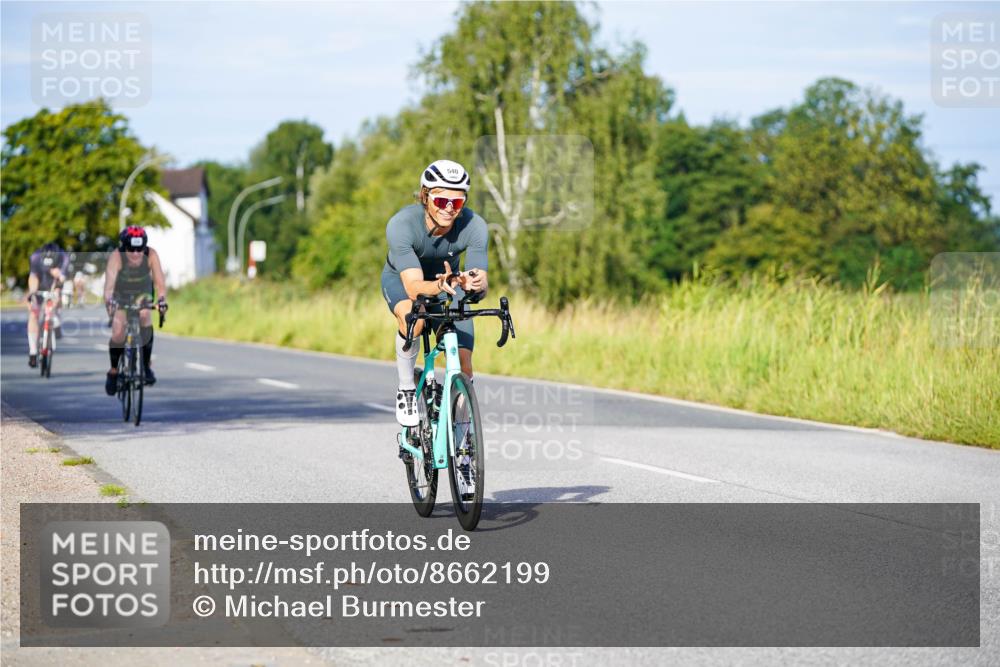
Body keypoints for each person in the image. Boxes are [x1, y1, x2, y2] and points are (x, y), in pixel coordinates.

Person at [381, 159, 489, 426]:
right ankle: (407, 388)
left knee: (464, 362)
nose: (449, 208)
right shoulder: (402, 225)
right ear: (425, 196)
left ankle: (463, 436)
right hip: (403, 281)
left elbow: (480, 281)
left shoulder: (475, 225)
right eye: (441, 201)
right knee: (414, 320)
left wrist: (475, 284)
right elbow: (414, 287)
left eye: (457, 202)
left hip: (449, 283)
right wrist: (440, 285)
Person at [103, 226, 168, 395]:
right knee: (118, 331)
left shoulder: (151, 255)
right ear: (124, 247)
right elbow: (109, 288)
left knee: (145, 315)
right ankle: (113, 371)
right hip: (121, 293)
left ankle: (146, 366)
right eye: (131, 249)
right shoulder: (116, 257)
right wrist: (110, 303)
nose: (136, 253)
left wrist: (162, 300)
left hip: (142, 292)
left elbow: (160, 283)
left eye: (140, 249)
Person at [25, 242, 69, 367]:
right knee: (33, 314)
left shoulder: (63, 257)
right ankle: (33, 351)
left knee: (57, 296)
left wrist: (58, 277)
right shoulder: (35, 257)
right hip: (39, 283)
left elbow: (61, 280)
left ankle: (55, 317)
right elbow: (33, 277)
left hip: (54, 283)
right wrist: (33, 293)